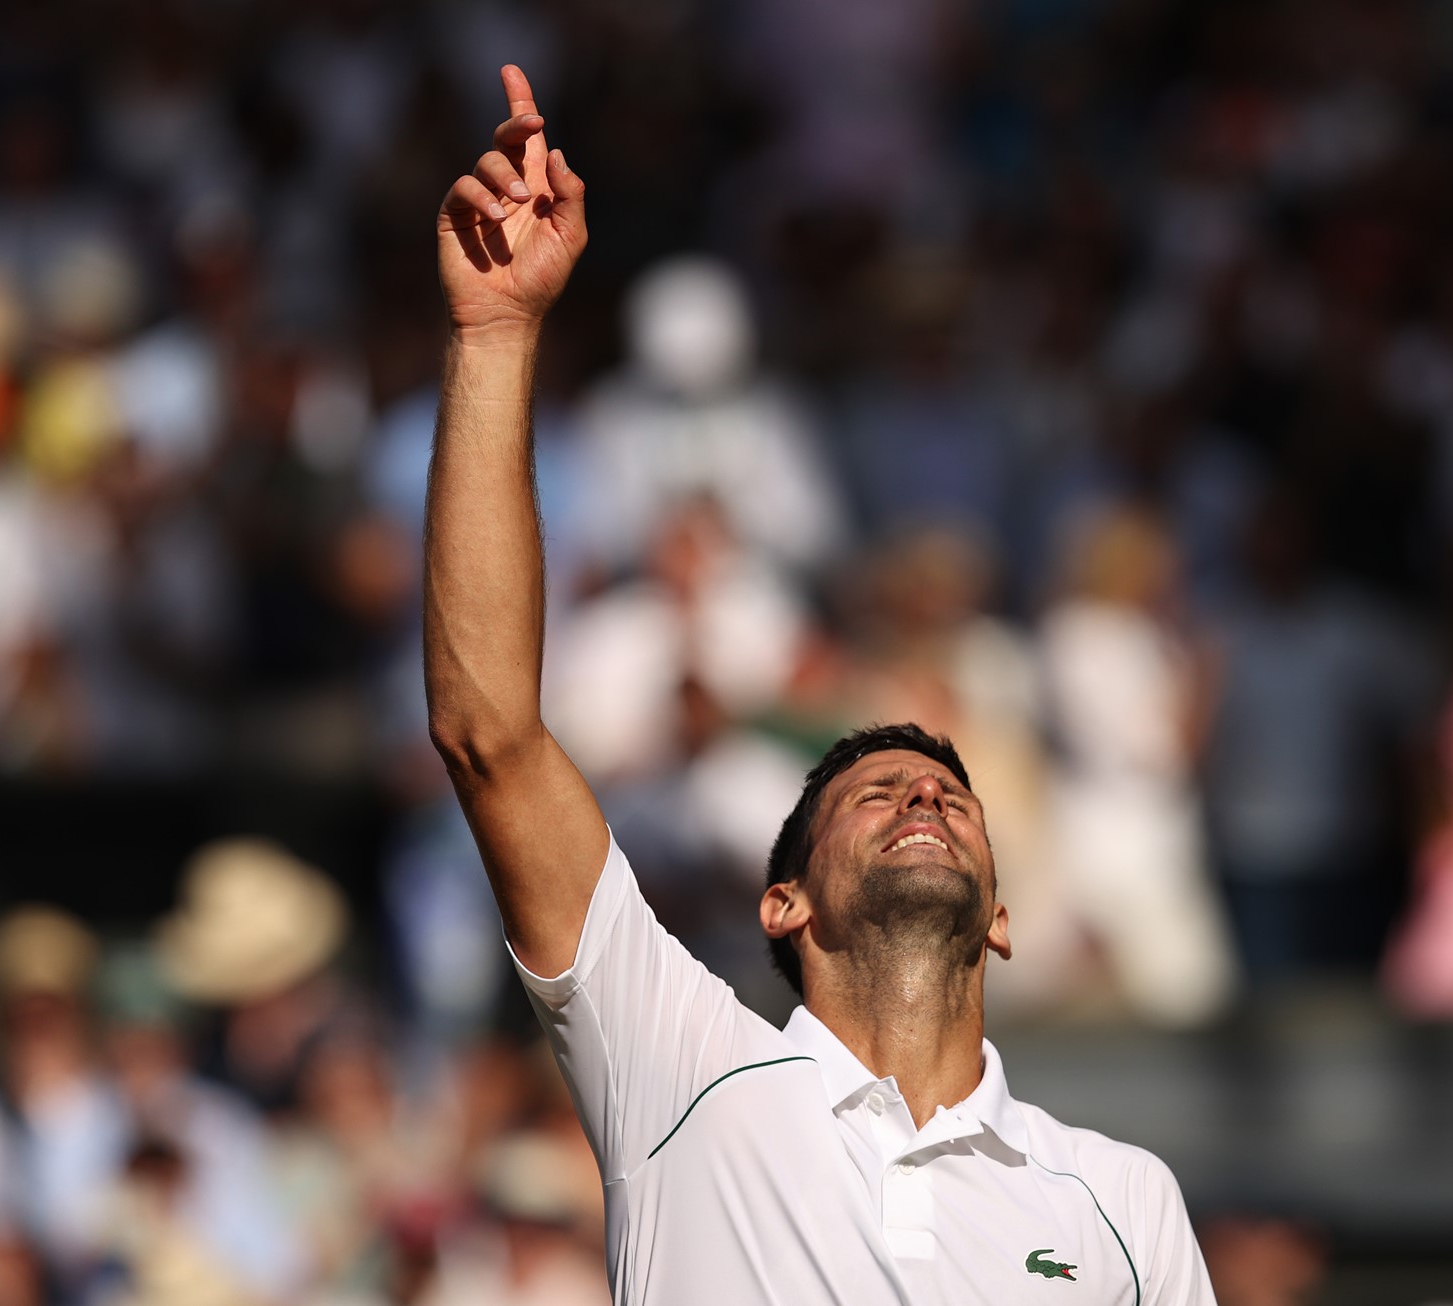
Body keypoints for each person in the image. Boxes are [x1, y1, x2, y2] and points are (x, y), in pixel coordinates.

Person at [426, 65, 1214, 1304]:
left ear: (1001, 917)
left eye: (950, 794)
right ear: (782, 903)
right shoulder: (675, 1067)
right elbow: (488, 734)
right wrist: (494, 339)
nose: (923, 792)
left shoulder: (1123, 1200)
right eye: (872, 790)